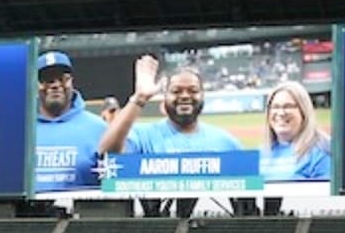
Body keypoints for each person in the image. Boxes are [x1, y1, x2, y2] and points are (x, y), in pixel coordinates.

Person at [97, 58, 245, 158]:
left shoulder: (226, 142)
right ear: (165, 96)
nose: (185, 96)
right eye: (176, 91)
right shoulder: (142, 136)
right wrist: (139, 98)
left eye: (193, 91)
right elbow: (107, 155)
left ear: (203, 95)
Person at [32, 51, 109, 193]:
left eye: (62, 79)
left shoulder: (99, 129)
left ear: (71, 81)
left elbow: (114, 184)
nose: (55, 85)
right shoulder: (22, 130)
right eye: (47, 80)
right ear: (36, 85)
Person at [259, 81, 331, 183]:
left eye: (288, 106)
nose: (281, 113)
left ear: (303, 111)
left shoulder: (321, 151)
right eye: (275, 107)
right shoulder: (261, 153)